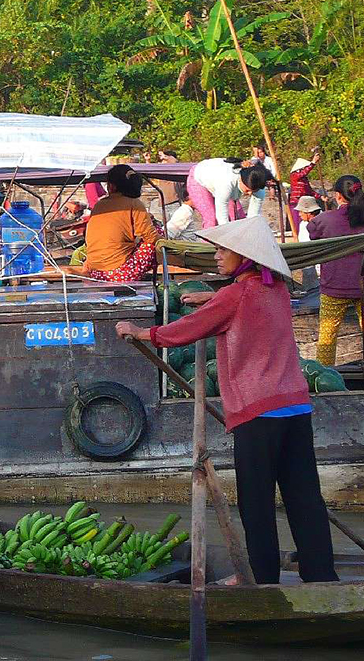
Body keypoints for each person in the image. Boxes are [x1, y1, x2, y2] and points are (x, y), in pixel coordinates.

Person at [117, 216, 337, 585]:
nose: (217, 256)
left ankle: (262, 579)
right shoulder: (277, 289)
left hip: (259, 411)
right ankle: (322, 576)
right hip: (296, 407)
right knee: (304, 498)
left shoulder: (236, 296)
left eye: (224, 250)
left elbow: (187, 329)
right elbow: (240, 304)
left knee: (257, 503)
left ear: (246, 258)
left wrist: (142, 332)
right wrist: (213, 298)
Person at [307, 175, 364, 366]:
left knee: (327, 338)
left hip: (334, 287)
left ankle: (324, 375)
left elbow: (312, 233)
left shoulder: (324, 220)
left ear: (338, 196)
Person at [81, 164, 161, 282]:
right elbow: (150, 236)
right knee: (158, 233)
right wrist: (168, 244)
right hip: (119, 272)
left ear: (111, 186)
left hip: (95, 272)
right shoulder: (134, 204)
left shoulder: (99, 204)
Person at [185, 155, 274, 230]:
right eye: (247, 190)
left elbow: (253, 217)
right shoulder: (226, 182)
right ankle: (209, 248)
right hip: (199, 179)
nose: (250, 193)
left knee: (238, 217)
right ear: (241, 180)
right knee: (212, 218)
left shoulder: (259, 187)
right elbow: (222, 214)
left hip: (223, 185)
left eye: (253, 191)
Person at [288, 150, 321, 230]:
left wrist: (320, 196)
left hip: (304, 203)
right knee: (297, 224)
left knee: (306, 224)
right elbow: (304, 172)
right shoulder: (294, 175)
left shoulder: (304, 180)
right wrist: (313, 162)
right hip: (296, 202)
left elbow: (310, 190)